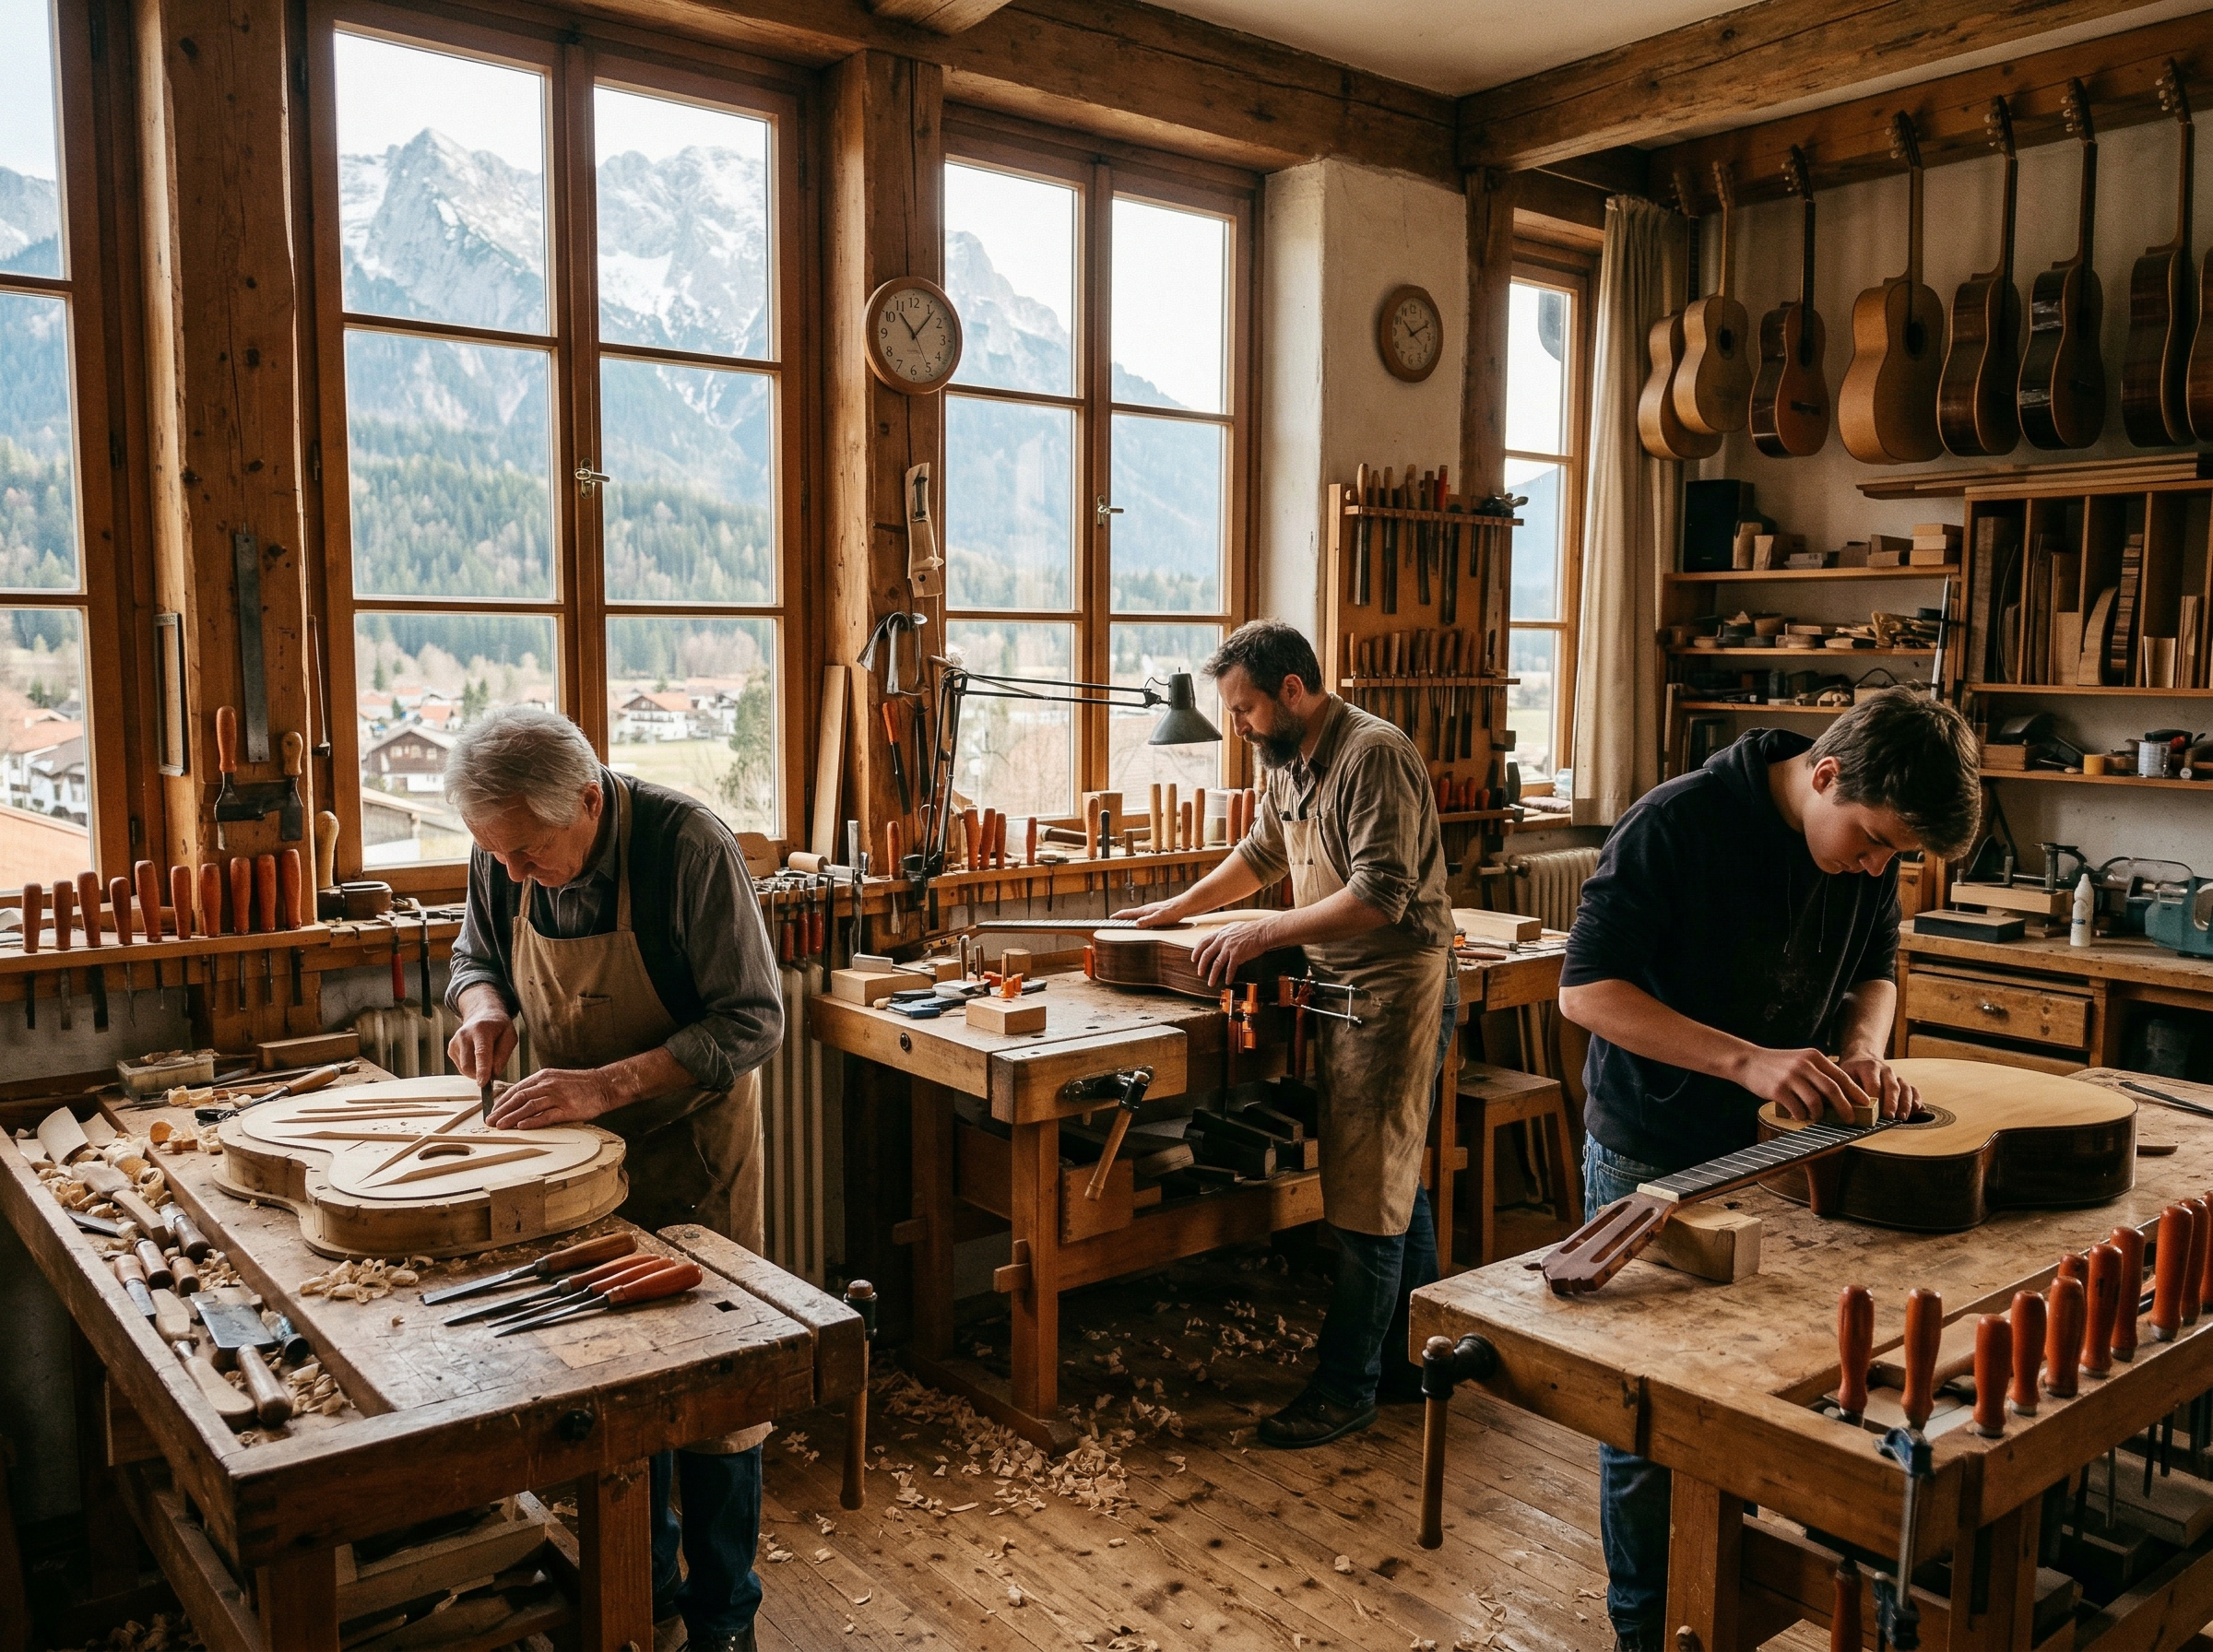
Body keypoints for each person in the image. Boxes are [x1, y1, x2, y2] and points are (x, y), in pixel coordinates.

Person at [1556, 689, 1982, 1652]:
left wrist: (1864, 1050)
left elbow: (1876, 966)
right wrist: (1747, 1060)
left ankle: (1718, 1598)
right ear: (1825, 775)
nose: (1876, 867)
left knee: (1761, 1391)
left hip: (1783, 1152)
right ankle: (1643, 1629)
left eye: (1896, 856)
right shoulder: (1677, 823)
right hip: (1655, 1148)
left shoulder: (1865, 846)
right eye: (1872, 842)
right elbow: (1585, 992)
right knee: (1648, 1408)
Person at [442, 707, 784, 1652]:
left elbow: (753, 1020)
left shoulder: (688, 849)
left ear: (588, 802)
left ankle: (723, 1620)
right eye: (497, 855)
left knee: (714, 1397)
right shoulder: (504, 845)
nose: (512, 873)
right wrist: (483, 1007)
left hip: (691, 1150)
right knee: (610, 1391)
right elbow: (474, 954)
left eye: (528, 853)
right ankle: (647, 1601)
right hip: (574, 1164)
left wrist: (609, 1083)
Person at [1121, 620, 1459, 1447]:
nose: (1237, 727)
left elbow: (1379, 894)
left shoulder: (1372, 755)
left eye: (1244, 710)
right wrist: (1179, 908)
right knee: (1392, 1180)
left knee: (1366, 1198)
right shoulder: (1288, 758)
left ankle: (1346, 1389)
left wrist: (1262, 933)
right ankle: (1412, 1364)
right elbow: (1262, 853)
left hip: (1394, 986)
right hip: (1339, 984)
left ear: (1294, 692)